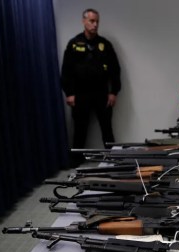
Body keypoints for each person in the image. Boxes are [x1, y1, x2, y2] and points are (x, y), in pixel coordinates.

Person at [61, 8, 121, 165]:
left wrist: (113, 92)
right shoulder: (74, 44)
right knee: (80, 129)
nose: (95, 25)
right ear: (83, 21)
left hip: (101, 93)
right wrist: (69, 93)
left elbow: (115, 70)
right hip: (81, 94)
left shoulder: (105, 44)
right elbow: (66, 71)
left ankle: (113, 158)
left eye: (97, 22)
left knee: (107, 128)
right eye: (91, 21)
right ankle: (76, 159)